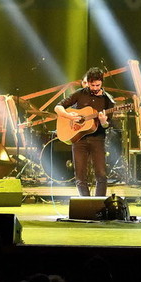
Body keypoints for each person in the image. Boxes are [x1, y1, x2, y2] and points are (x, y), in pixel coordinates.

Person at [54, 67, 115, 197]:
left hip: (97, 139)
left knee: (101, 174)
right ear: (88, 82)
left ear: (102, 82)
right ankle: (86, 203)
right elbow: (58, 107)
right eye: (92, 85)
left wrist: (103, 121)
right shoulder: (80, 93)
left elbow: (107, 125)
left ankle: (99, 203)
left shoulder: (108, 100)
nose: (95, 88)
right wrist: (70, 116)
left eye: (97, 85)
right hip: (79, 139)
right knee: (80, 176)